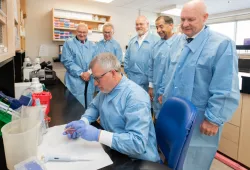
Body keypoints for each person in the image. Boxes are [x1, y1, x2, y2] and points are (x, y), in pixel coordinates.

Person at [157, 0, 240, 169]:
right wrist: (162, 93)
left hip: (200, 119)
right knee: (170, 156)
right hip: (174, 115)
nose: (185, 24)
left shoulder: (221, 44)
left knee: (192, 162)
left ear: (205, 17)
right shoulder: (178, 42)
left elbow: (225, 87)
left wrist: (213, 119)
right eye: (183, 19)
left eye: (191, 20)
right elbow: (170, 73)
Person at [63, 53, 160, 163]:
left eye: (97, 79)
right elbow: (94, 107)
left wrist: (98, 135)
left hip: (138, 159)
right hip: (115, 150)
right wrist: (83, 121)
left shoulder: (135, 97)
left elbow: (136, 144)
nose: (95, 83)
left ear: (113, 73)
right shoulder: (107, 88)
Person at [148, 16, 180, 119]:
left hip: (169, 90)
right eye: (157, 27)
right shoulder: (157, 46)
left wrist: (164, 91)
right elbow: (151, 66)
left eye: (161, 27)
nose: (158, 30)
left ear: (171, 25)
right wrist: (151, 85)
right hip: (156, 89)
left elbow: (175, 72)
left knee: (168, 119)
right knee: (157, 117)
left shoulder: (179, 44)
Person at [61, 23, 96, 108]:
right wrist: (81, 73)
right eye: (80, 32)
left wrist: (89, 72)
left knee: (89, 104)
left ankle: (87, 121)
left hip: (89, 79)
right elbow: (67, 61)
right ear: (76, 32)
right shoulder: (69, 43)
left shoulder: (92, 45)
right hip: (74, 80)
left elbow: (96, 61)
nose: (82, 34)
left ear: (87, 32)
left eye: (84, 32)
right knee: (74, 107)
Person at [124, 16, 159, 91]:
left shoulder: (156, 41)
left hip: (147, 83)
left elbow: (157, 64)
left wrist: (151, 84)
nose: (138, 26)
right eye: (137, 24)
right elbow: (127, 58)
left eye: (141, 24)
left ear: (147, 24)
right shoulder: (132, 41)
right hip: (132, 80)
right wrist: (127, 72)